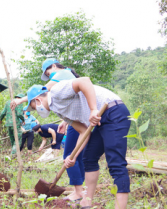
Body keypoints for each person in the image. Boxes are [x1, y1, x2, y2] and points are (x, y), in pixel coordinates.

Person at [26, 78, 131, 209]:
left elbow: (84, 81)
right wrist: (73, 156)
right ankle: (86, 202)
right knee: (89, 158)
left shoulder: (56, 92)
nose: (36, 110)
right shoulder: (59, 110)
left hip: (113, 110)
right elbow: (82, 131)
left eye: (34, 107)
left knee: (115, 163)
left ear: (38, 100)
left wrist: (93, 109)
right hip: (99, 120)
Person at [11, 58, 85, 202]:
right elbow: (73, 102)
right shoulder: (68, 76)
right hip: (78, 118)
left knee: (69, 155)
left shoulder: (62, 73)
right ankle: (82, 190)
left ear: (54, 66)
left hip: (80, 120)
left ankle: (78, 191)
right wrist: (65, 121)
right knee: (79, 156)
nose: (49, 75)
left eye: (48, 71)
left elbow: (42, 91)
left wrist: (20, 100)